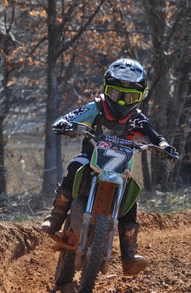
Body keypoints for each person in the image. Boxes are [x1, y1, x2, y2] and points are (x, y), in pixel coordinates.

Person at [40, 58, 177, 276]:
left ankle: (129, 254)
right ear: (106, 89)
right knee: (75, 164)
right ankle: (55, 217)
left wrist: (164, 146)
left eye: (130, 97)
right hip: (90, 160)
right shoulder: (96, 108)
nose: (122, 102)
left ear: (140, 97)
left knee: (132, 193)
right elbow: (71, 117)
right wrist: (65, 124)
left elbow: (155, 137)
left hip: (118, 170)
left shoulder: (137, 120)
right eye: (116, 94)